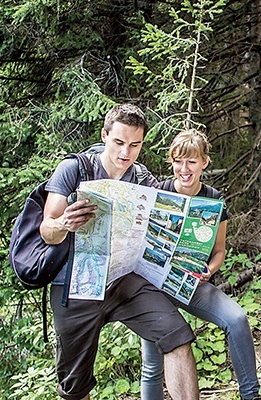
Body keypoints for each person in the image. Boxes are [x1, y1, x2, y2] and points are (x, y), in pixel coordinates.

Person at [40, 104, 199, 400]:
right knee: (75, 386)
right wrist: (64, 222)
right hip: (75, 285)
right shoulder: (74, 169)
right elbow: (47, 230)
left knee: (177, 336)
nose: (126, 153)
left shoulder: (141, 178)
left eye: (135, 145)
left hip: (124, 280)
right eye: (119, 142)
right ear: (104, 136)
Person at [141, 129, 261, 400]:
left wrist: (210, 270)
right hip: (155, 286)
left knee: (237, 319)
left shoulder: (214, 198)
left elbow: (219, 251)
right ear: (171, 162)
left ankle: (251, 395)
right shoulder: (158, 191)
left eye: (191, 161)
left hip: (193, 283)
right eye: (178, 161)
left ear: (204, 162)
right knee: (153, 360)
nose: (184, 169)